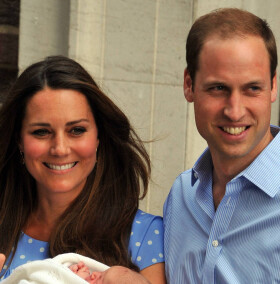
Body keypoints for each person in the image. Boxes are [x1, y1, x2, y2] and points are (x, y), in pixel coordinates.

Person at [0, 56, 165, 283]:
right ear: (19, 139)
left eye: (76, 130)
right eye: (41, 132)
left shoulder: (145, 235)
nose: (60, 149)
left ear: (99, 136)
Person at [163, 8, 280, 283]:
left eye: (252, 88)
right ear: (189, 85)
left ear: (273, 86)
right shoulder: (181, 197)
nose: (235, 112)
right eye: (218, 89)